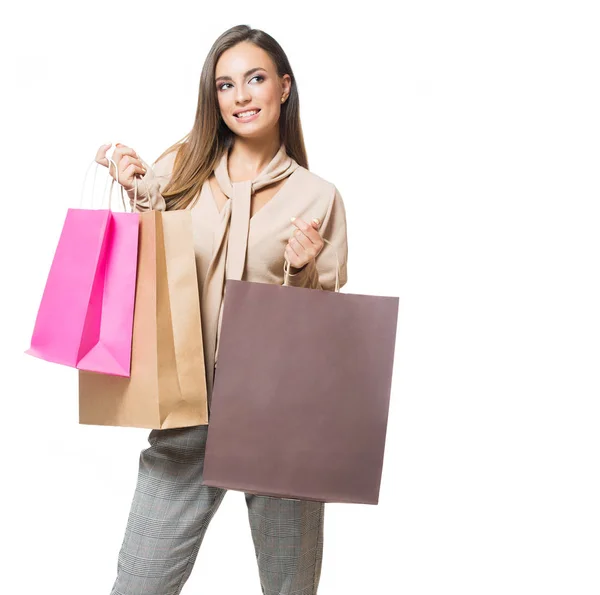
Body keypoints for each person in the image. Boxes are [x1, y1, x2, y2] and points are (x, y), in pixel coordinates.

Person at [95, 24, 348, 595]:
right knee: (139, 584)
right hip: (188, 410)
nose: (240, 96)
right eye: (225, 84)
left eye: (255, 79)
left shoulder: (318, 196)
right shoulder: (182, 169)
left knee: (290, 588)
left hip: (278, 418)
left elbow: (326, 324)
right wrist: (126, 173)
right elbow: (144, 255)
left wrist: (305, 268)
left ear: (284, 87)